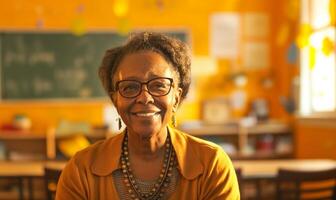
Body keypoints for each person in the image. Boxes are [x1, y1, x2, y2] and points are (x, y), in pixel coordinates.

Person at [56, 32, 240, 200]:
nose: (144, 97)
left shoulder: (212, 165)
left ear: (176, 97)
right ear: (115, 100)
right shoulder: (82, 169)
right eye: (130, 87)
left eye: (159, 85)